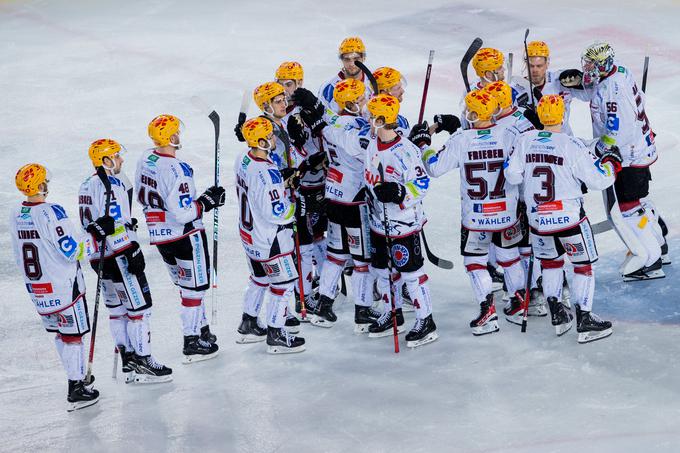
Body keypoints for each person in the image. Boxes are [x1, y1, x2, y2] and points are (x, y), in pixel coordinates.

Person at [505, 95, 617, 343]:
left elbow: (512, 176)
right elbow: (600, 180)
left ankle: (557, 312)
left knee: (551, 264)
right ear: (562, 116)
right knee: (583, 266)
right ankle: (585, 319)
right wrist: (610, 163)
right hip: (569, 221)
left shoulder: (524, 140)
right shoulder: (571, 145)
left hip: (538, 222)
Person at [417, 89, 526, 333]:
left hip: (476, 217)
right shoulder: (510, 134)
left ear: (475, 113)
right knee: (510, 258)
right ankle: (519, 303)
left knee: (475, 262)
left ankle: (487, 311)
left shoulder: (461, 140)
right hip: (506, 213)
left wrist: (423, 144)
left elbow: (434, 167)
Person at [561, 41, 667, 279]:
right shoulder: (619, 70)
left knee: (629, 210)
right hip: (640, 148)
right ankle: (659, 241)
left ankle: (651, 260)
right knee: (638, 204)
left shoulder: (612, 91)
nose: (587, 67)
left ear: (602, 64)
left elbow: (619, 131)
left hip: (629, 157)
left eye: (591, 64)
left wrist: (598, 149)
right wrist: (580, 84)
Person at [11, 163, 107, 410]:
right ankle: (76, 386)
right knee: (73, 336)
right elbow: (73, 250)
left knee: (62, 334)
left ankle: (74, 378)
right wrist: (97, 236)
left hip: (38, 289)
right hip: (64, 287)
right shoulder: (50, 212)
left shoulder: (16, 214)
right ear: (40, 185)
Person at [79, 139, 171, 383]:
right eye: (117, 156)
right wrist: (131, 250)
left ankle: (128, 360)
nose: (121, 160)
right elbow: (116, 225)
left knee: (118, 312)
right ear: (106, 161)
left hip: (97, 257)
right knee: (140, 310)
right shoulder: (113, 184)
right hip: (119, 256)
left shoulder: (85, 185)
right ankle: (144, 361)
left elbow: (91, 225)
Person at [294, 79, 381, 332]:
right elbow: (362, 146)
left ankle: (323, 306)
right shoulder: (357, 126)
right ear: (353, 103)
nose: (365, 103)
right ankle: (363, 312)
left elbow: (330, 123)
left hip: (333, 195)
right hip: (355, 201)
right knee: (362, 260)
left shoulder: (333, 122)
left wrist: (320, 112)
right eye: (362, 99)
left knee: (336, 255)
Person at [135, 114, 223, 363]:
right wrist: (205, 202)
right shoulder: (177, 169)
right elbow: (184, 213)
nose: (179, 136)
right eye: (177, 132)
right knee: (194, 287)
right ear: (171, 137)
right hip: (185, 235)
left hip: (160, 236)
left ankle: (202, 327)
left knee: (187, 285)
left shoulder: (146, 157)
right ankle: (192, 340)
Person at [361, 94, 437, 348]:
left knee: (411, 274)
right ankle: (392, 314)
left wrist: (400, 192)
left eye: (373, 117)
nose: (369, 120)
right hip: (377, 222)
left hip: (403, 224)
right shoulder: (373, 145)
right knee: (382, 271)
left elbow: (422, 184)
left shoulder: (406, 151)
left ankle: (426, 320)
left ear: (382, 119)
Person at [235, 117, 306, 353]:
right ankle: (276, 333)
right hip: (270, 239)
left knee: (259, 278)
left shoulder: (243, 160)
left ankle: (249, 321)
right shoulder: (266, 173)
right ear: (263, 142)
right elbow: (277, 213)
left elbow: (259, 195)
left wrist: (283, 183)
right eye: (271, 136)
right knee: (284, 284)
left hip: (250, 236)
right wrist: (297, 209)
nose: (275, 138)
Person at [275, 63, 330, 316]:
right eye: (281, 84)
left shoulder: (310, 102)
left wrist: (316, 107)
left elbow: (332, 129)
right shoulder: (282, 115)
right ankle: (304, 296)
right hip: (301, 186)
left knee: (320, 235)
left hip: (326, 182)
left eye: (288, 84)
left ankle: (316, 281)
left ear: (298, 83)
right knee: (304, 243)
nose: (284, 90)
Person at [509, 40, 578, 135]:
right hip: (533, 145)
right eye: (531, 66)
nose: (535, 70)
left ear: (547, 63)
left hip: (564, 141)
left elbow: (589, 94)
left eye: (539, 66)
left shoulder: (561, 80)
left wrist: (582, 79)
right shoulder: (516, 88)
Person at [318, 36, 373, 113]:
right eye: (347, 59)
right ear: (342, 60)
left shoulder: (376, 81)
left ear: (363, 58)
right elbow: (322, 119)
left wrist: (366, 110)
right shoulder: (328, 89)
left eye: (356, 59)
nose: (352, 64)